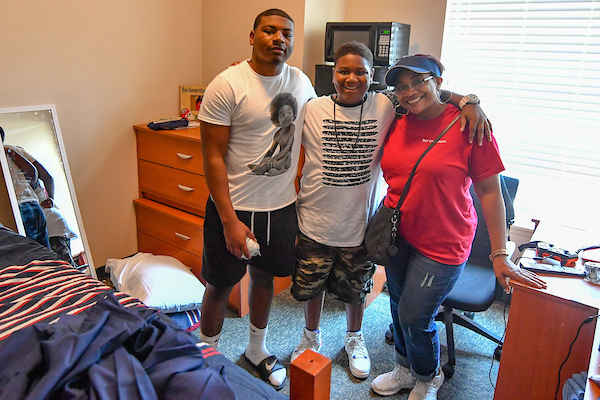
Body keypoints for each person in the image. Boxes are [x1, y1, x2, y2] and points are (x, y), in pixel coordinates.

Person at [289, 42, 494, 379]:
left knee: (355, 289)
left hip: (362, 224)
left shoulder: (385, 105)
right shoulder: (312, 107)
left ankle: (354, 339)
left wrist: (468, 101)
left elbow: (429, 92)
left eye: (360, 72)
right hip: (315, 220)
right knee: (312, 289)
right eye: (343, 70)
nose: (351, 78)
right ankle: (311, 337)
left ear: (373, 78)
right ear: (333, 72)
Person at [370, 55, 546, 399]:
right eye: (401, 86)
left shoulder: (468, 126)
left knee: (414, 313)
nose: (409, 92)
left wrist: (499, 254)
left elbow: (491, 194)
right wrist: (467, 98)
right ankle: (403, 368)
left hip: (444, 243)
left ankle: (427, 377)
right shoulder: (395, 117)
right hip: (397, 232)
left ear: (437, 80)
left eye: (419, 81)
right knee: (397, 305)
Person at [196, 8, 316, 390]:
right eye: (269, 30)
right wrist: (229, 220)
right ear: (252, 36)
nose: (279, 38)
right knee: (220, 284)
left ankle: (256, 350)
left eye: (286, 33)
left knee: (264, 279)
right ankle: (207, 358)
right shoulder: (227, 84)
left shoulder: (301, 82)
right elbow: (212, 156)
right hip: (233, 208)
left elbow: (325, 120)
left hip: (280, 207)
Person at [1, 126, 51, 248]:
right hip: (34, 205)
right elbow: (43, 176)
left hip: (18, 207)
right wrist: (49, 199)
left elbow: (35, 174)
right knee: (46, 254)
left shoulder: (10, 152)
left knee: (30, 255)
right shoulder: (16, 150)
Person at [247, 92, 297, 176]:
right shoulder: (277, 134)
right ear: (277, 121)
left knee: (285, 157)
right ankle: (264, 167)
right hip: (278, 159)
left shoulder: (292, 128)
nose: (287, 116)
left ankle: (272, 169)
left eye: (289, 112)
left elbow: (287, 148)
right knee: (269, 161)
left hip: (285, 159)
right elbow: (271, 150)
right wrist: (265, 160)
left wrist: (274, 159)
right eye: (282, 115)